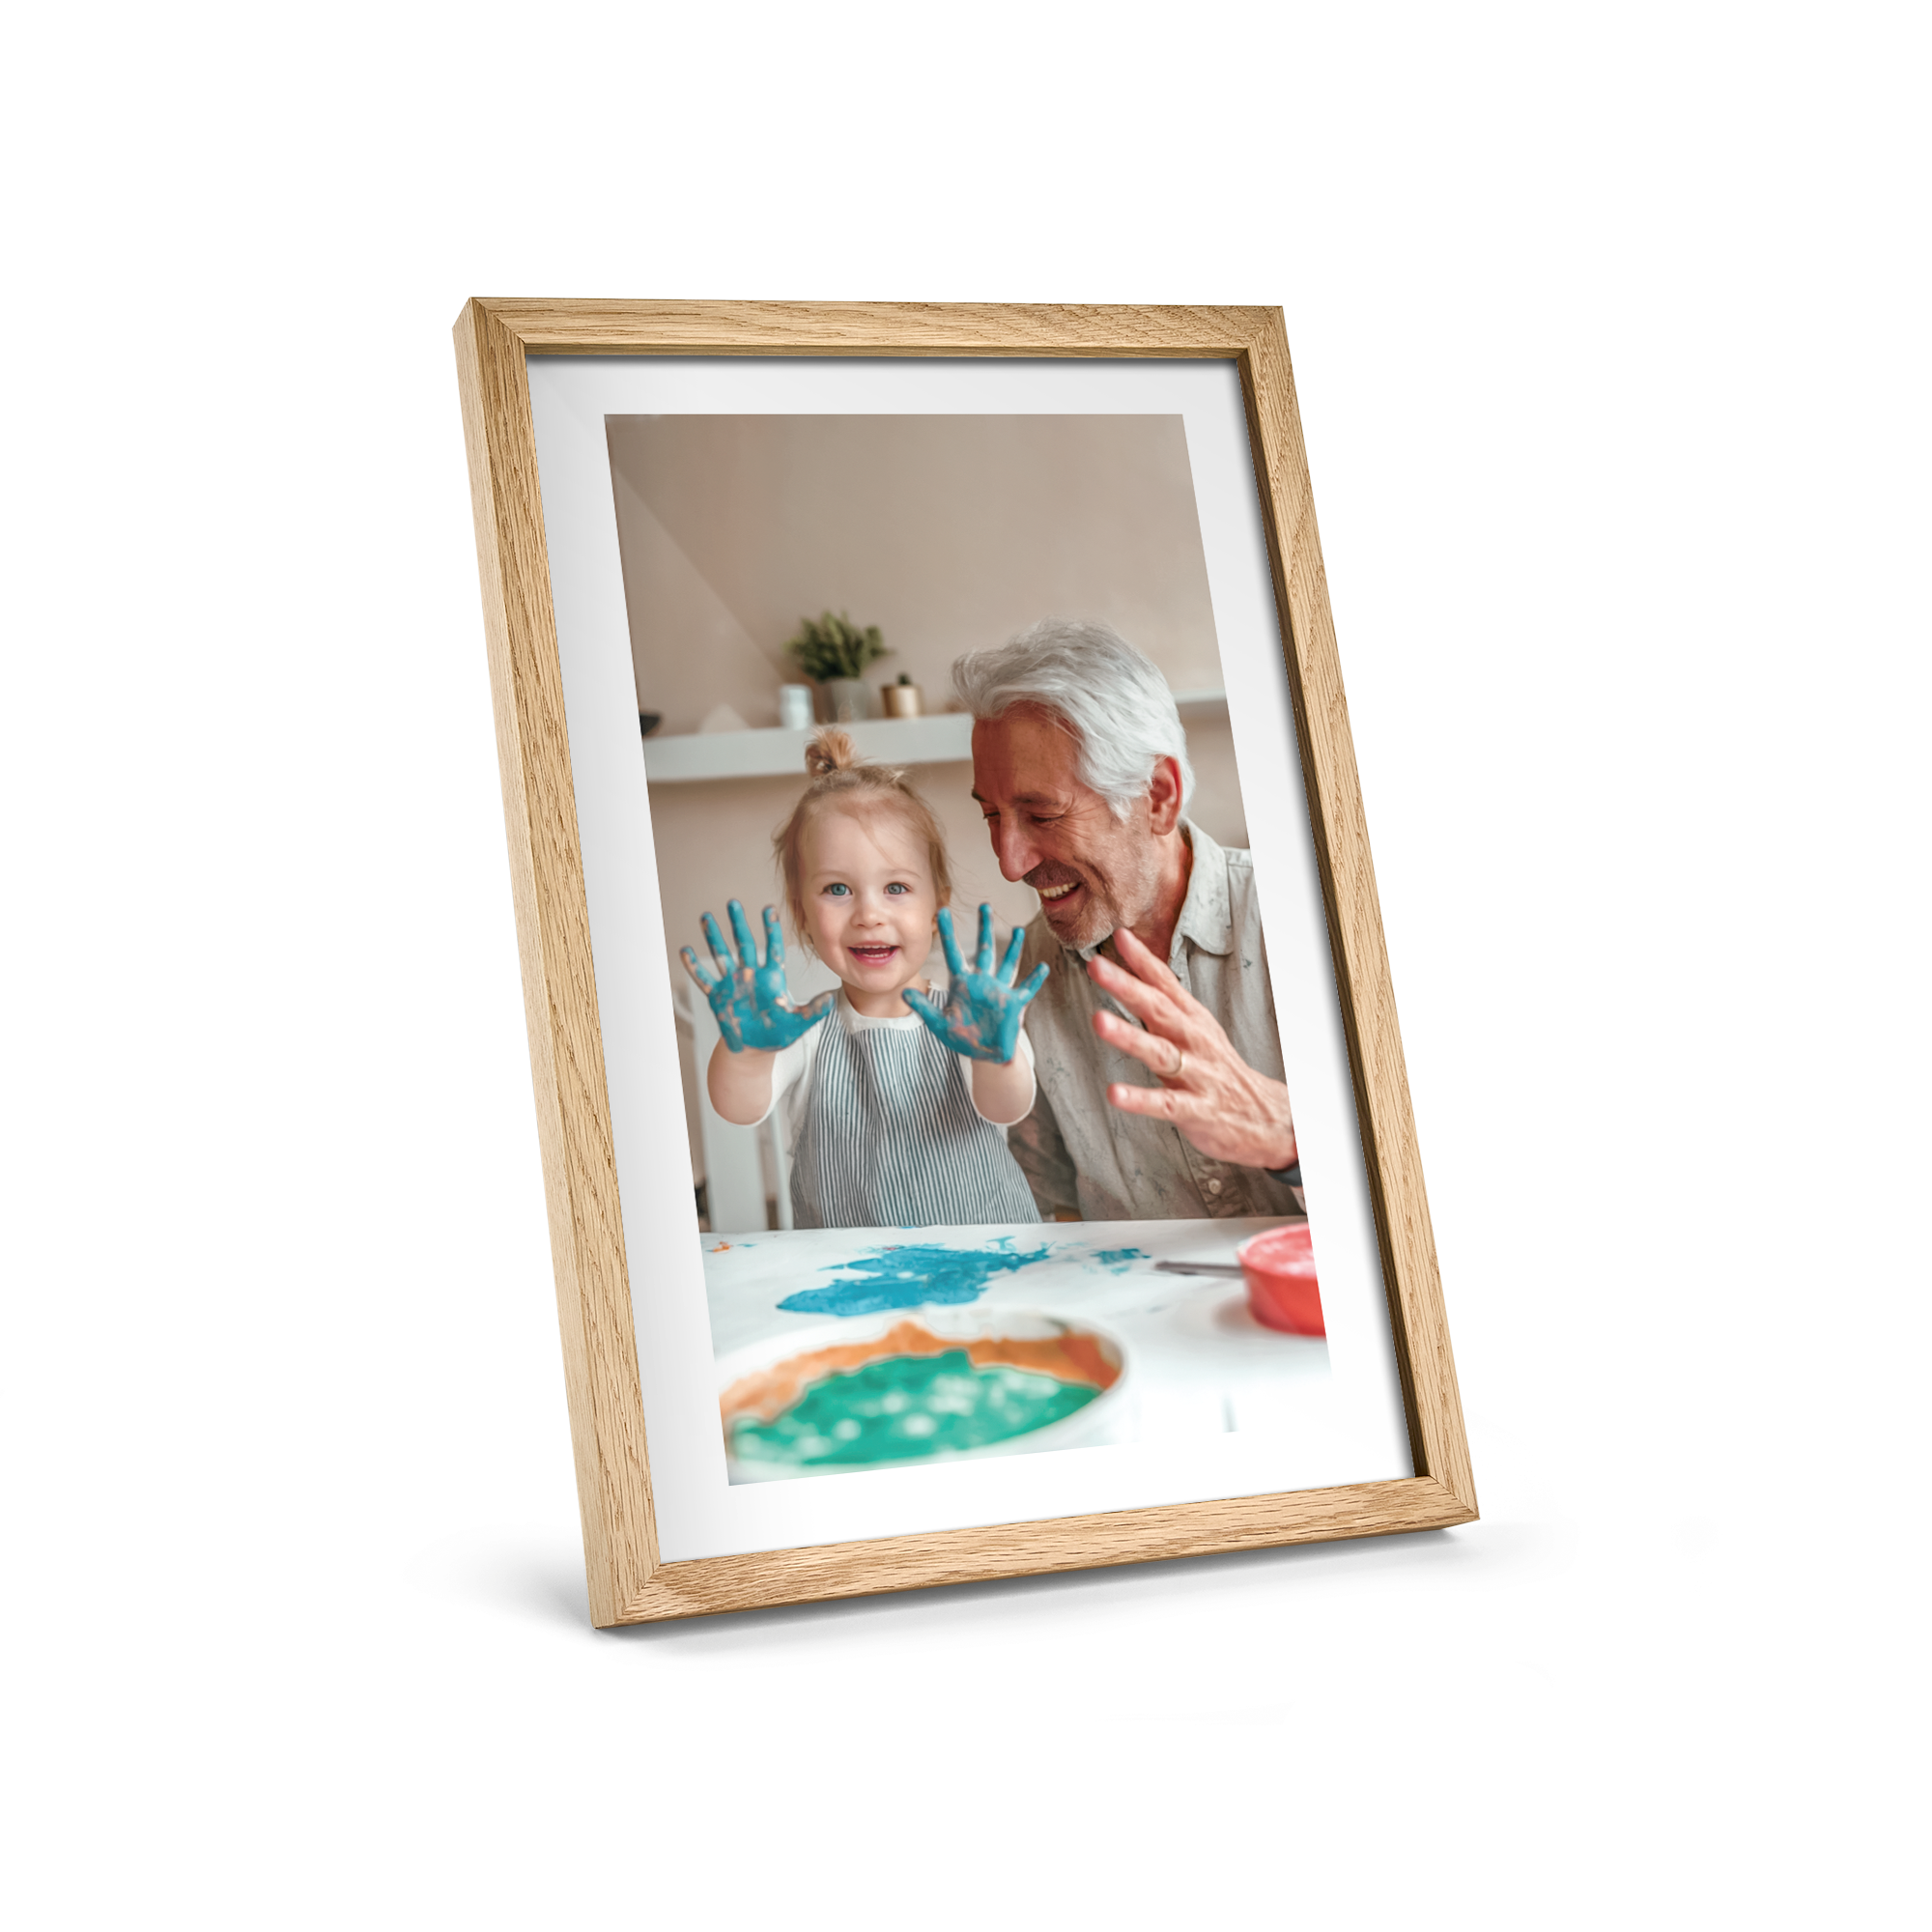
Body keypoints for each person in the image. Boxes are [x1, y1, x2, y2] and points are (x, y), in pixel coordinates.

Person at [952, 619, 1305, 1223]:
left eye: (1041, 814)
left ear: (1158, 797)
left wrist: (1289, 1137)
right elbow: (1052, 1213)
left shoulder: (1311, 919)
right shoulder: (1021, 978)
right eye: (991, 815)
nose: (1010, 863)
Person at [681, 729, 1046, 1230]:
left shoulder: (974, 1019)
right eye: (837, 889)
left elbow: (1006, 1108)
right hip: (846, 1278)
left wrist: (995, 1056)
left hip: (984, 1264)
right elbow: (738, 1108)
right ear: (801, 913)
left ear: (937, 904)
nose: (869, 914)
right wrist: (746, 1054)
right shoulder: (801, 1031)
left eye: (896, 887)